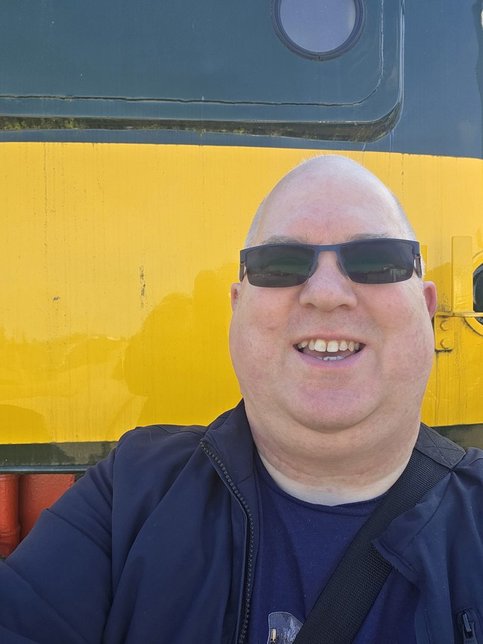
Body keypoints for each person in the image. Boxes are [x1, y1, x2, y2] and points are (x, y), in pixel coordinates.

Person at [1, 155, 482, 643]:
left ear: (426, 308)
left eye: (376, 260)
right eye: (281, 264)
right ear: (237, 308)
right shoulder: (131, 493)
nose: (325, 292)